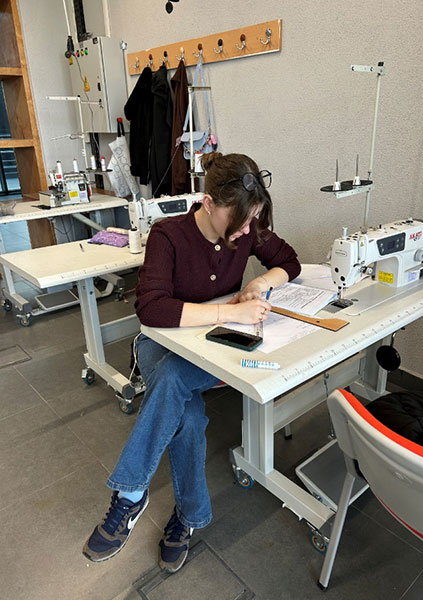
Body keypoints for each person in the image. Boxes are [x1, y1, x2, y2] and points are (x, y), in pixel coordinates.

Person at [83, 152, 301, 572]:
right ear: (208, 202)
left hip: (214, 351)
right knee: (186, 411)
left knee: (173, 385)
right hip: (159, 344)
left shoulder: (246, 227)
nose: (245, 231)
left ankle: (130, 496)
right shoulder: (168, 235)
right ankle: (186, 517)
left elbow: (288, 261)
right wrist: (229, 312)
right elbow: (152, 309)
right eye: (238, 222)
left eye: (251, 222)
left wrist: (259, 282)